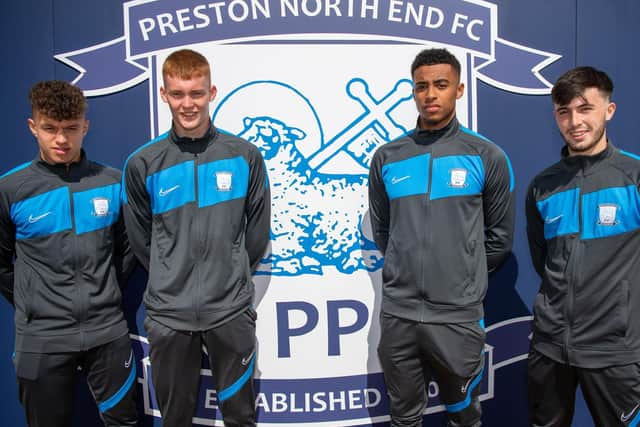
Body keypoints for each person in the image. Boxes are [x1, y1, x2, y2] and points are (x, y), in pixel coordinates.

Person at [122, 49, 270, 426]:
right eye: (177, 94)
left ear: (212, 92)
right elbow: (141, 240)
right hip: (170, 315)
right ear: (163, 94)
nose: (187, 104)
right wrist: (171, 274)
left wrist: (231, 268)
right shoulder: (143, 163)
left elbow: (256, 232)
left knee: (240, 416)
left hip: (230, 311)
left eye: (196, 93)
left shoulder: (244, 156)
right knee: (174, 419)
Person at [368, 48, 515, 426]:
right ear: (413, 91)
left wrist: (461, 276)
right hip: (399, 315)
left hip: (457, 317)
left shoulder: (486, 156)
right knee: (403, 418)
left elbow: (498, 239)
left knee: (464, 417)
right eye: (422, 86)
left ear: (459, 89)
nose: (430, 94)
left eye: (441, 85)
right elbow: (384, 231)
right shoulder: (388, 157)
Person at [0, 80, 137, 426]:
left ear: (85, 126)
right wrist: (35, 303)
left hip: (107, 332)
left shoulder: (112, 182)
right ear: (33, 128)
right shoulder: (10, 189)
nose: (61, 139)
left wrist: (101, 293)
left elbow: (128, 251)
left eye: (71, 129)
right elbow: (2, 265)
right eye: (50, 129)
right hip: (41, 338)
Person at [526, 66, 640, 426]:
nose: (574, 121)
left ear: (609, 110)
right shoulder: (543, 186)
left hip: (615, 351)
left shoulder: (634, 177)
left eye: (585, 108)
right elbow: (542, 260)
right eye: (564, 111)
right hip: (549, 348)